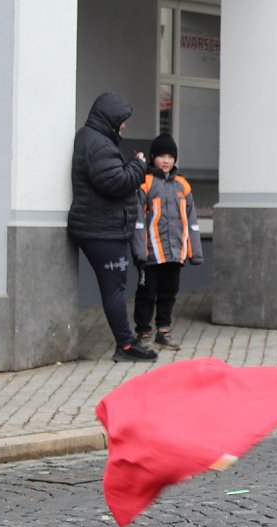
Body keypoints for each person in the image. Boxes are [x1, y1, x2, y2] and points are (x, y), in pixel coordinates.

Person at [68, 92, 157, 363]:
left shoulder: (91, 138)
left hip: (99, 228)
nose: (124, 125)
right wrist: (139, 166)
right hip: (102, 230)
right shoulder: (99, 145)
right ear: (110, 119)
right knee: (114, 289)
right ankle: (126, 346)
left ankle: (126, 343)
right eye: (122, 120)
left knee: (114, 288)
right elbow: (115, 182)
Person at [130, 133, 203, 350]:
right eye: (161, 155)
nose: (166, 160)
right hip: (151, 253)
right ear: (153, 157)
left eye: (170, 156)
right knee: (147, 293)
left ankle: (163, 329)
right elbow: (138, 221)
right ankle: (143, 331)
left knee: (168, 293)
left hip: (175, 252)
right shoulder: (145, 183)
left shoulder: (183, 186)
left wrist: (194, 252)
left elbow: (192, 221)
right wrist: (139, 252)